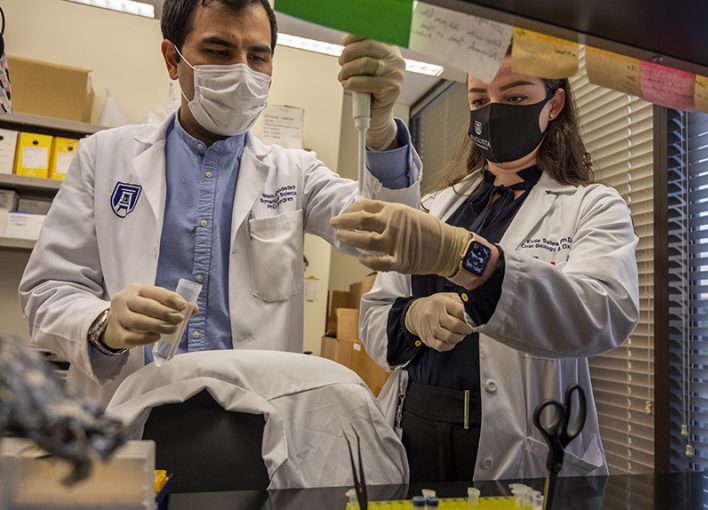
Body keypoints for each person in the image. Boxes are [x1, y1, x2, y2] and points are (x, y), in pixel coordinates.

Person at [19, 0, 421, 407]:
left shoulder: (296, 173)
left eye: (258, 56)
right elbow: (48, 290)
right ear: (172, 60)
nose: (242, 70)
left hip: (256, 417)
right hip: (130, 408)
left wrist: (381, 129)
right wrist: (104, 325)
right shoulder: (104, 157)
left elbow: (388, 242)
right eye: (219, 51)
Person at [331, 50, 639, 482]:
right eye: (479, 100)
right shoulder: (438, 204)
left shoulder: (592, 206)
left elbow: (604, 314)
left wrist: (467, 258)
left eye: (514, 99)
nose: (492, 112)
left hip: (520, 436)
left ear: (554, 104)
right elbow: (375, 318)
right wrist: (414, 318)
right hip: (416, 424)